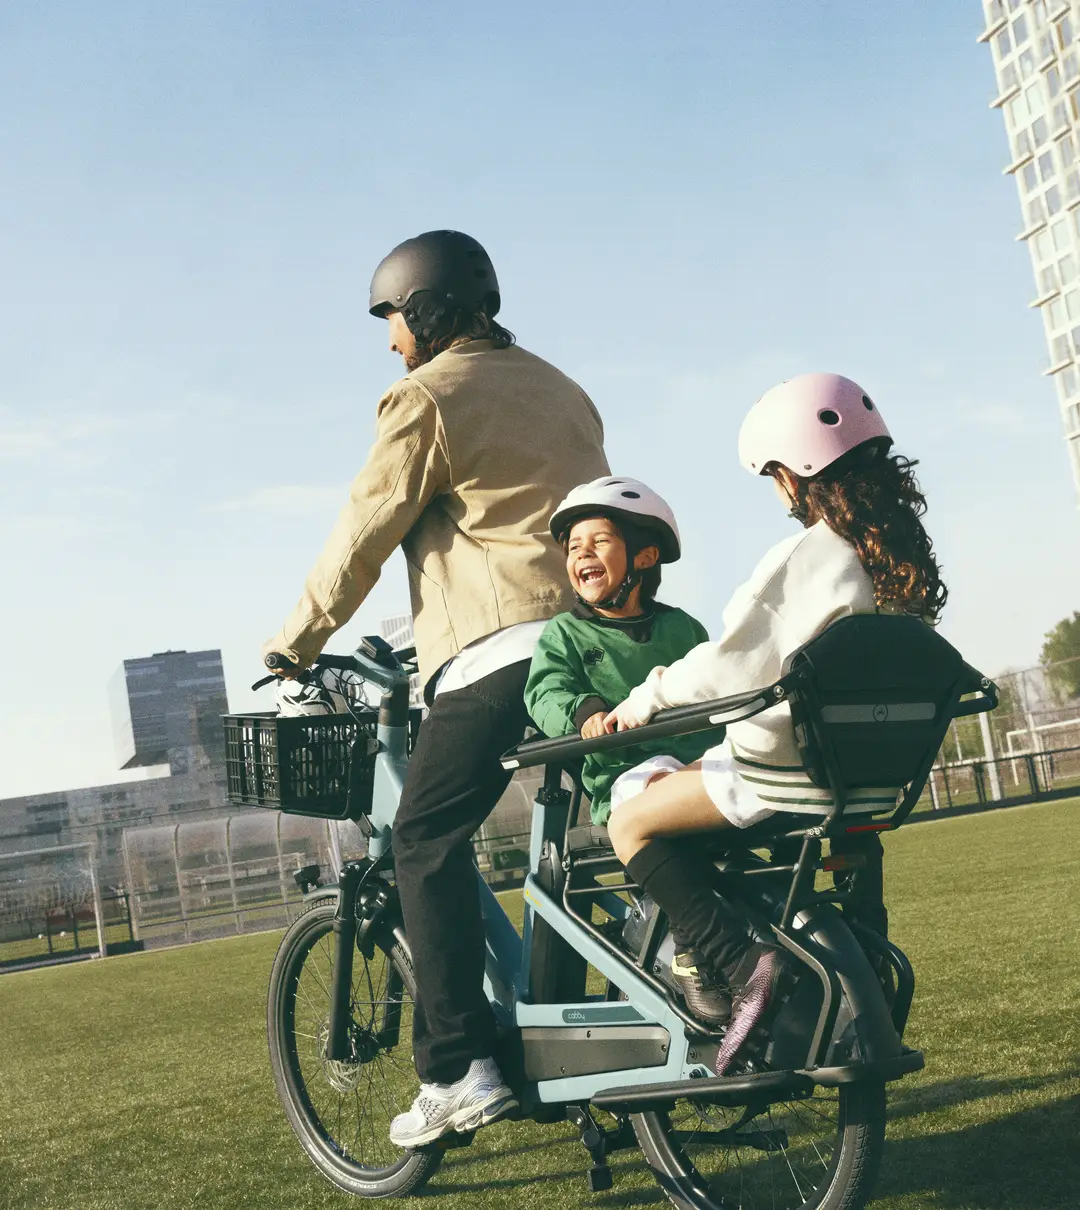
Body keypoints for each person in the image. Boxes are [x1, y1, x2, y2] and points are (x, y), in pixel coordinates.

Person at [263, 229, 609, 1146]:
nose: (388, 342)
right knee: (581, 846)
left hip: (505, 653)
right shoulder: (559, 385)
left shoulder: (427, 397)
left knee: (422, 839)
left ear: (427, 310)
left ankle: (459, 1068)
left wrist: (295, 643)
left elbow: (365, 530)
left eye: (392, 319)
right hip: (597, 642)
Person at [602, 373, 948, 1073]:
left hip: (788, 776)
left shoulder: (808, 557)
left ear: (794, 475)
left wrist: (647, 698)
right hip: (871, 782)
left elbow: (731, 668)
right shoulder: (899, 555)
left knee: (631, 820)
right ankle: (866, 956)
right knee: (698, 777)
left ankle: (740, 963)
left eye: (772, 476)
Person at [524, 477, 729, 1023]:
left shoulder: (683, 628)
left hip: (700, 769)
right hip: (630, 782)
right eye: (573, 549)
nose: (581, 555)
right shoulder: (564, 635)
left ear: (645, 555)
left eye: (598, 542)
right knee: (658, 777)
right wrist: (585, 712)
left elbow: (716, 682)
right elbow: (543, 691)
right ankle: (692, 952)